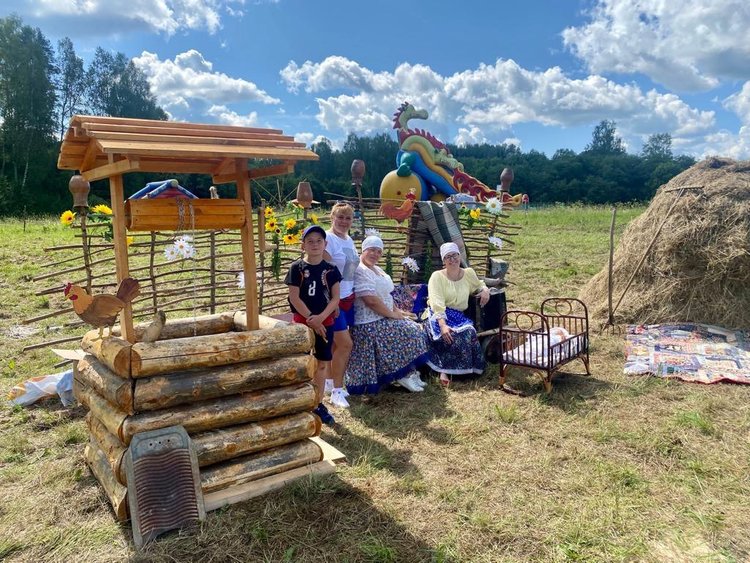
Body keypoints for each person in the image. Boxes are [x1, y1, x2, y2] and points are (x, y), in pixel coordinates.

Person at [347, 236, 430, 394]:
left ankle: (408, 372)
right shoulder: (360, 270)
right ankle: (402, 374)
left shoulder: (377, 269)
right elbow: (370, 300)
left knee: (415, 327)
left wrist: (398, 312)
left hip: (382, 316)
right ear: (363, 250)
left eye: (379, 251)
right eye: (371, 250)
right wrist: (392, 315)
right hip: (368, 323)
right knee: (408, 332)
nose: (375, 254)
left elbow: (387, 295)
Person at [285, 225, 342, 426]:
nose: (315, 244)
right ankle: (298, 402)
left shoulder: (331, 270)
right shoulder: (297, 268)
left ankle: (317, 403)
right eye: (310, 241)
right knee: (301, 363)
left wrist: (321, 318)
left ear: (325, 244)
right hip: (302, 323)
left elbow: (336, 298)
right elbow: (294, 296)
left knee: (322, 363)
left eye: (319, 241)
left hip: (325, 323)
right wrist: (311, 318)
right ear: (303, 245)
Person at [425, 242, 490, 385]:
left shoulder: (468, 273)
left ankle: (466, 370)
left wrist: (485, 290)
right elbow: (437, 303)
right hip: (439, 314)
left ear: (459, 256)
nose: (452, 259)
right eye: (448, 257)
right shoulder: (437, 277)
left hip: (458, 315)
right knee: (448, 334)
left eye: (454, 255)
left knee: (468, 331)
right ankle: (445, 370)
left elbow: (479, 285)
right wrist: (442, 325)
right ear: (443, 261)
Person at [323, 201, 359, 408]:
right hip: (333, 300)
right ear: (332, 218)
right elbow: (324, 273)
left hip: (348, 297)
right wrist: (330, 302)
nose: (344, 222)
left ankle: (328, 381)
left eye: (348, 218)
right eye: (340, 217)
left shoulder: (349, 239)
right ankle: (337, 390)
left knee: (335, 343)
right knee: (346, 344)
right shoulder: (328, 239)